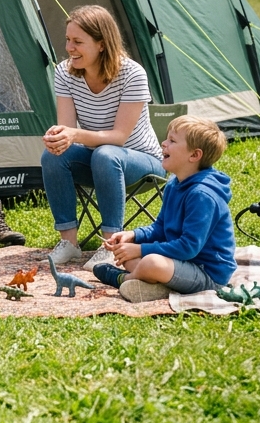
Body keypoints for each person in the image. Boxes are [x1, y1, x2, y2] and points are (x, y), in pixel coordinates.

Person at [41, 4, 165, 271]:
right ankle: (69, 244)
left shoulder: (132, 74)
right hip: (98, 158)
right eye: (67, 40)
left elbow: (119, 137)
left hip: (143, 162)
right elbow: (67, 130)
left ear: (101, 44)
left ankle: (111, 245)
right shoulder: (65, 72)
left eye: (77, 42)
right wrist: (59, 137)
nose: (69, 48)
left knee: (107, 154)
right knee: (54, 154)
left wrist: (75, 134)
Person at [91, 115, 236, 303]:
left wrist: (141, 249)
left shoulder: (202, 195)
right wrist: (133, 236)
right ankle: (158, 286)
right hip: (181, 262)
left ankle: (122, 279)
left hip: (206, 272)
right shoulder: (174, 183)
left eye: (172, 141)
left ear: (194, 155)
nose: (163, 143)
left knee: (150, 262)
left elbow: (188, 247)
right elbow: (160, 227)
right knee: (127, 257)